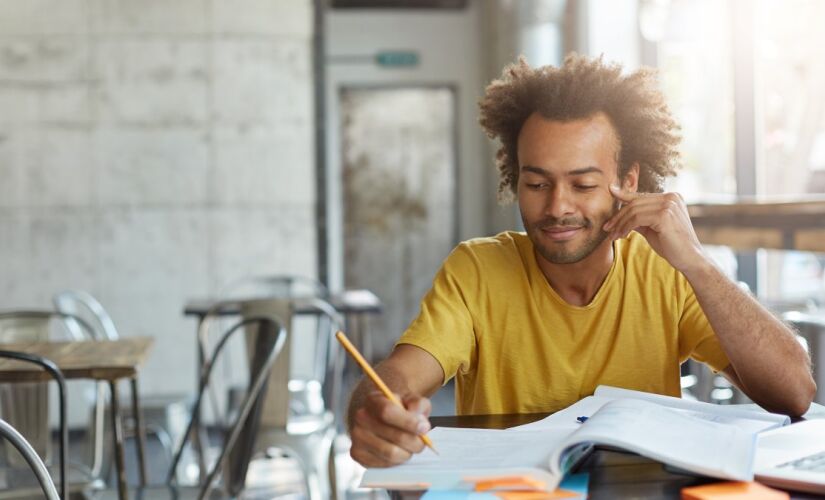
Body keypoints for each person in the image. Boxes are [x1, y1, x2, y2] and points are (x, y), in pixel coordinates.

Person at [346, 54, 816, 468]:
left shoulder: (667, 271)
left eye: (584, 185)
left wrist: (697, 262)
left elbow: (795, 392)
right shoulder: (477, 271)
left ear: (628, 181)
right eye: (536, 184)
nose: (557, 207)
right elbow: (399, 377)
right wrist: (375, 411)